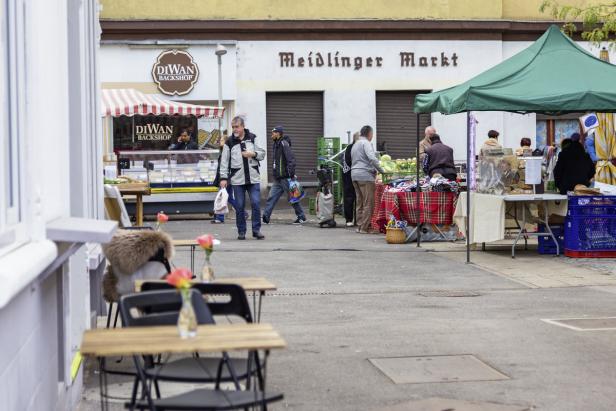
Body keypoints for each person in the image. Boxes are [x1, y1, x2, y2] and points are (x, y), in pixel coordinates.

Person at [219, 116, 266, 240]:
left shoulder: (253, 138)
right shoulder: (229, 142)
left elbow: (262, 154)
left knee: (256, 203)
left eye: (237, 127)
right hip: (237, 179)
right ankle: (241, 231)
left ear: (243, 126)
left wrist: (253, 154)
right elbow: (224, 161)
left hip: (253, 178)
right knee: (239, 206)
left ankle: (256, 230)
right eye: (233, 127)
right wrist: (223, 178)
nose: (235, 129)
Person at [262, 126, 306, 225]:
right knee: (271, 197)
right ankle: (266, 217)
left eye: (273, 133)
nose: (271, 135)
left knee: (293, 199)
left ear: (278, 133)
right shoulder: (276, 144)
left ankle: (301, 216)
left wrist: (291, 175)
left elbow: (291, 160)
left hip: (286, 177)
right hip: (278, 178)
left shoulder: (283, 144)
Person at [351, 125, 385, 234]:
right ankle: (365, 228)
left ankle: (360, 226)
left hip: (354, 175)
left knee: (360, 202)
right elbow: (372, 158)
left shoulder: (355, 144)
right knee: (368, 203)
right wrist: (382, 170)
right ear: (370, 134)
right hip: (365, 175)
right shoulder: (366, 143)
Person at [212, 130, 237, 224]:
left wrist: (224, 178)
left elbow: (227, 166)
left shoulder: (227, 152)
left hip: (226, 179)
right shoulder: (222, 151)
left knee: (222, 196)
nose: (220, 141)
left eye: (222, 140)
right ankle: (242, 212)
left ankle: (220, 217)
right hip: (225, 178)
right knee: (228, 197)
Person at [342, 132, 359, 227]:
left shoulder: (356, 147)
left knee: (356, 197)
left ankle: (356, 219)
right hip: (348, 175)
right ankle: (349, 219)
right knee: (349, 197)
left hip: (354, 174)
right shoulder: (350, 148)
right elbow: (348, 162)